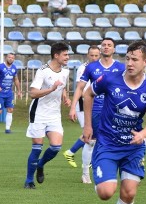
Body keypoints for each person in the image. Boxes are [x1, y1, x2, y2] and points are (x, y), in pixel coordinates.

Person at [82, 40, 146, 204]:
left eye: (135, 59)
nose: (130, 63)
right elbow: (87, 94)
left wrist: (142, 135)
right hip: (107, 143)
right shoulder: (109, 79)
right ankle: (99, 171)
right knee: (106, 193)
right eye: (127, 58)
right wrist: (88, 125)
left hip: (133, 147)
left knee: (129, 192)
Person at [65, 38, 124, 173]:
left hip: (115, 110)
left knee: (116, 141)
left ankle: (113, 169)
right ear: (101, 48)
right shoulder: (91, 67)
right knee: (91, 141)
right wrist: (73, 107)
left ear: (114, 49)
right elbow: (80, 88)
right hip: (96, 109)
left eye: (109, 45)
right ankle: (86, 173)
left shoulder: (121, 67)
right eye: (104, 45)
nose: (106, 47)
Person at [24, 42, 72, 189]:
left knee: (56, 147)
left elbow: (62, 87)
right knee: (37, 147)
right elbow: (32, 93)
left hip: (54, 115)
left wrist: (65, 97)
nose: (68, 57)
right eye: (65, 55)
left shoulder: (65, 71)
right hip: (38, 113)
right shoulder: (43, 71)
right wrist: (51, 89)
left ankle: (40, 164)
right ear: (56, 55)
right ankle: (28, 181)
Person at [65, 45, 100, 183]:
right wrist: (73, 107)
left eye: (97, 55)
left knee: (95, 138)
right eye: (92, 55)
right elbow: (82, 88)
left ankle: (72, 153)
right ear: (87, 55)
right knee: (90, 138)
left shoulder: (103, 68)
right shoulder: (83, 68)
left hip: (100, 107)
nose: (94, 58)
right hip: (84, 105)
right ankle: (85, 170)